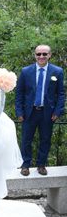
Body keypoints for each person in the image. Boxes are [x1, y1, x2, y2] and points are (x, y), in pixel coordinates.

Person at [15, 45, 65, 176]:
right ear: (35, 55)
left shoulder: (57, 71)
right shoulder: (26, 71)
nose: (41, 56)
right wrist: (19, 112)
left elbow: (61, 94)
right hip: (29, 113)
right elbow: (19, 93)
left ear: (49, 55)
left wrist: (57, 112)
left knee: (45, 139)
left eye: (44, 54)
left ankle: (41, 165)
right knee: (26, 140)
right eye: (38, 54)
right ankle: (25, 165)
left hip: (47, 113)